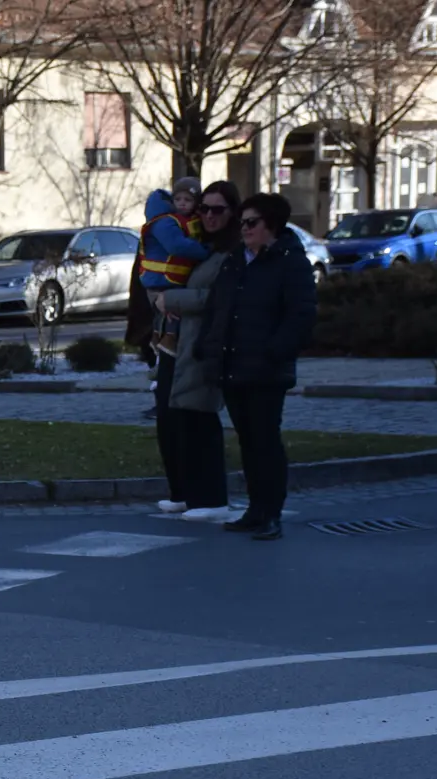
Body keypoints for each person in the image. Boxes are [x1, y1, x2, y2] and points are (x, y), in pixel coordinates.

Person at [200, 192, 317, 542]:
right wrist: (208, 347)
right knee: (248, 443)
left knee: (266, 441)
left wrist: (274, 352)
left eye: (252, 223)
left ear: (272, 226)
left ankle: (272, 513)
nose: (245, 229)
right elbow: (218, 307)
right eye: (242, 223)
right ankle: (254, 509)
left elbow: (301, 315)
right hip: (233, 365)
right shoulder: (236, 259)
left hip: (266, 369)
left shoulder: (290, 262)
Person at [154, 180, 238, 520]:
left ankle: (211, 499)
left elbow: (218, 298)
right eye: (204, 208)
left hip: (203, 345)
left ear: (231, 212)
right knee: (171, 419)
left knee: (199, 419)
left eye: (217, 210)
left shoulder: (229, 252)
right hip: (176, 343)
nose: (209, 215)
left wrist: (171, 299)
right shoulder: (199, 243)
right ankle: (184, 493)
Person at [138, 178, 208, 357]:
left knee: (168, 312)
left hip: (170, 278)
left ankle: (162, 339)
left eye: (188, 200)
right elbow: (178, 246)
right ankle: (165, 340)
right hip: (161, 280)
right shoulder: (166, 222)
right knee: (171, 312)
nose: (182, 204)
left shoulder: (186, 220)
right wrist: (205, 251)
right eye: (178, 200)